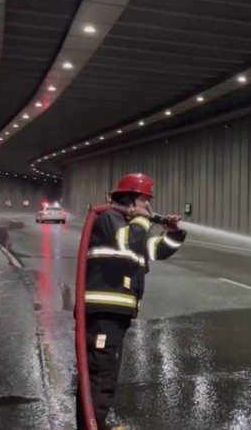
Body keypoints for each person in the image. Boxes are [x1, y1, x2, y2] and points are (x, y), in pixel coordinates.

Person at [76, 173, 185, 430]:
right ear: (130, 200)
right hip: (104, 312)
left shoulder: (127, 225)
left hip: (116, 314)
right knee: (101, 374)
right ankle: (93, 425)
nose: (149, 207)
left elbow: (154, 250)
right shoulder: (109, 219)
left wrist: (173, 234)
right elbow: (128, 242)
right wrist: (143, 221)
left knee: (104, 373)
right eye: (145, 201)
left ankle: (94, 423)